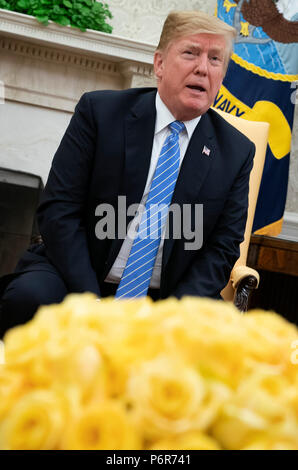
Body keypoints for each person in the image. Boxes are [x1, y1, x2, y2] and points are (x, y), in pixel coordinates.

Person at [0, 10, 255, 336]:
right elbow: (58, 210)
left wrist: (171, 318)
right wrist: (89, 301)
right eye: (191, 52)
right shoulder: (99, 113)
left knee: (220, 341)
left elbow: (222, 248)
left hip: (169, 298)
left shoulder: (236, 152)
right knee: (29, 298)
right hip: (78, 277)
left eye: (215, 59)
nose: (202, 68)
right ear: (159, 64)